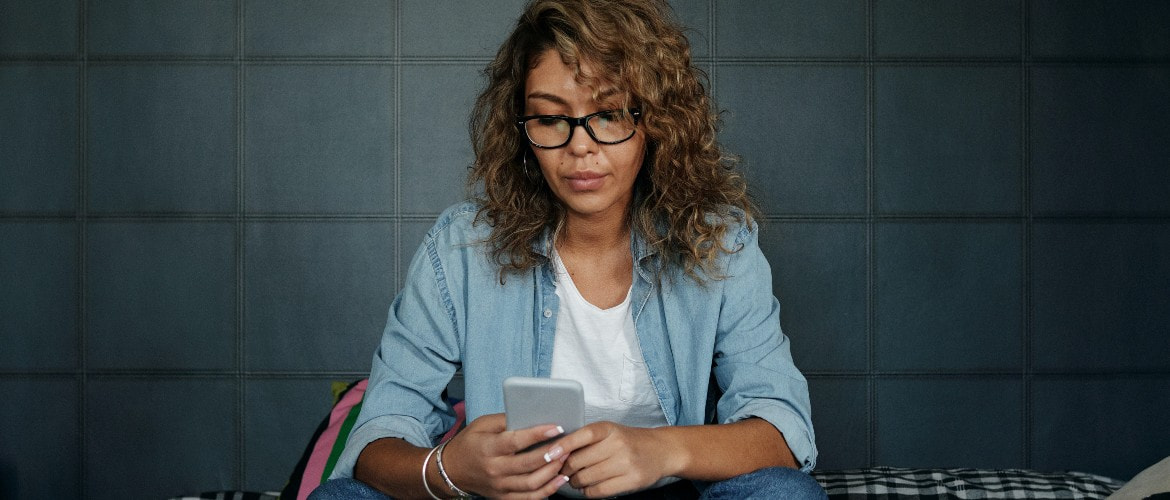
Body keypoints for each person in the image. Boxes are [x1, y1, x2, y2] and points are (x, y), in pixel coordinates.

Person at [311, 0, 823, 498]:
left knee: (784, 492)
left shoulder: (720, 241)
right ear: (522, 131)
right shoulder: (461, 248)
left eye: (609, 113)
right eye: (552, 118)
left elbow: (783, 430)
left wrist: (660, 452)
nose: (581, 145)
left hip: (662, 491)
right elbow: (377, 434)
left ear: (655, 121)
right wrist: (450, 469)